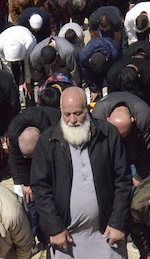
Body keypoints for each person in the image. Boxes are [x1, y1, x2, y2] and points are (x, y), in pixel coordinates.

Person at [31, 86, 132, 258]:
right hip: (67, 237)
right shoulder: (48, 141)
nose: (72, 120)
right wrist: (54, 228)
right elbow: (40, 188)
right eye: (67, 114)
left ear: (87, 109)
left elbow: (123, 181)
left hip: (106, 234)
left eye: (78, 113)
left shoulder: (108, 135)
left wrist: (118, 222)